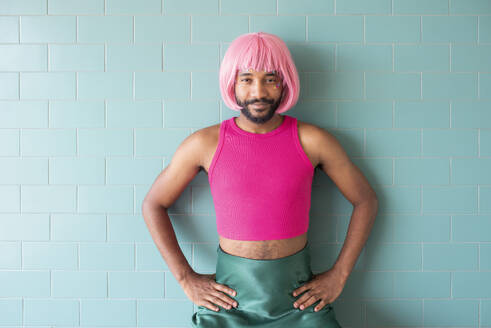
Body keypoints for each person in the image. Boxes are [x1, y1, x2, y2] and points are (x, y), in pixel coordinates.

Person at [142, 32, 378, 327]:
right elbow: (153, 204)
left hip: (299, 303)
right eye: (247, 79)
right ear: (232, 83)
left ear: (285, 83)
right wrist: (185, 278)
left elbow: (365, 200)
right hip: (228, 303)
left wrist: (339, 275)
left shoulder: (313, 140)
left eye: (271, 79)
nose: (259, 92)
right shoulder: (204, 143)